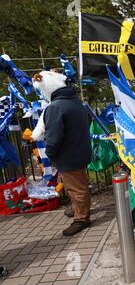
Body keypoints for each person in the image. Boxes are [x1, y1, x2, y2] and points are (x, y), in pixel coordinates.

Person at [32, 71, 93, 236]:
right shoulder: (76, 102)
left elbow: (54, 136)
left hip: (68, 154)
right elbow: (89, 119)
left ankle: (82, 218)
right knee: (76, 184)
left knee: (76, 187)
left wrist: (50, 153)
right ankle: (78, 209)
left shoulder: (55, 107)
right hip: (79, 150)